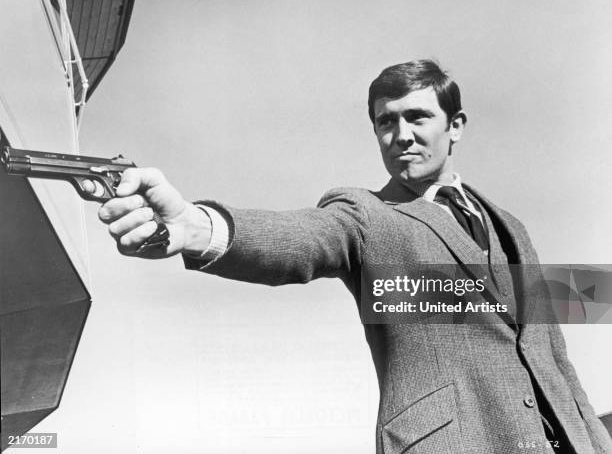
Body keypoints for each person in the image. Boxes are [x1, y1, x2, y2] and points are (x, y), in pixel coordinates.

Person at [94, 60, 612, 453]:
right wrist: (196, 227)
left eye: (417, 117)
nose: (401, 135)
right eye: (386, 123)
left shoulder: (512, 226)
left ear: (455, 125)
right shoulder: (365, 214)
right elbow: (300, 239)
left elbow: (552, 354)